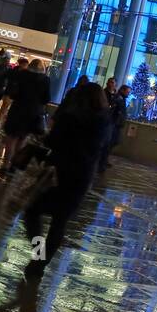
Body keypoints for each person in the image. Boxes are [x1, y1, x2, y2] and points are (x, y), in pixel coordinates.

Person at [22, 81, 110, 280]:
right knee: (59, 222)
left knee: (32, 211)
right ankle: (40, 264)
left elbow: (53, 141)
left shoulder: (71, 117)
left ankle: (38, 254)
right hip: (81, 178)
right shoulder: (103, 122)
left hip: (59, 173)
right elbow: (102, 148)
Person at [0, 59, 52, 175]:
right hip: (33, 113)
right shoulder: (45, 80)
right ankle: (14, 166)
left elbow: (13, 93)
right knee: (22, 140)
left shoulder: (22, 75)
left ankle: (5, 165)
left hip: (17, 110)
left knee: (11, 139)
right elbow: (47, 99)